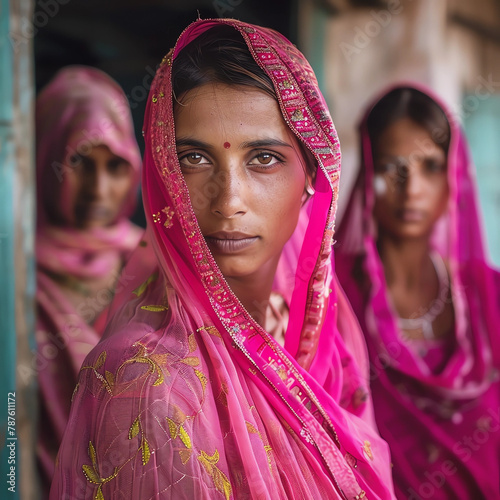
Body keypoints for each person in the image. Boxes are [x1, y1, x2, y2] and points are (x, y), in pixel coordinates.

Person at [50, 20, 396, 499]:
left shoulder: (328, 335)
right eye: (193, 158)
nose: (229, 199)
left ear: (314, 174)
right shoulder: (144, 384)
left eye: (264, 159)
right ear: (161, 174)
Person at [335, 84, 500, 499]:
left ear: (453, 177)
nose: (411, 188)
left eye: (430, 166)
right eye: (393, 167)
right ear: (369, 174)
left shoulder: (491, 296)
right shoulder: (330, 294)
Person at [35, 66, 143, 495]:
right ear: (47, 159)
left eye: (115, 166)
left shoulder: (153, 265)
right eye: (79, 161)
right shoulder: (15, 271)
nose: (98, 189)